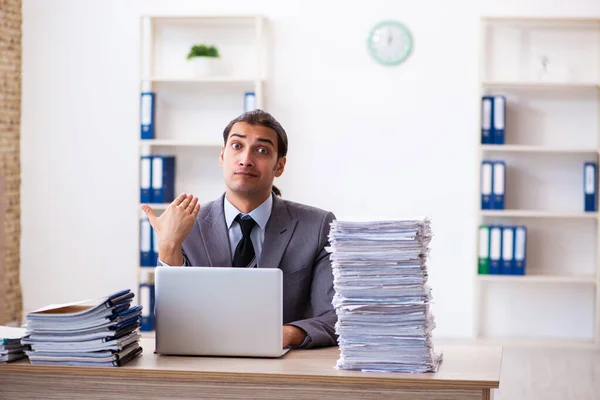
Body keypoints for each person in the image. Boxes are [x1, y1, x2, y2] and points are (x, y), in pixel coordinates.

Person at [141, 109, 338, 349]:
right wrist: (168, 246)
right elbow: (169, 323)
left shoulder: (317, 226)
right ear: (222, 156)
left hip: (285, 367)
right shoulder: (186, 226)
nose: (246, 159)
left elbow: (334, 316)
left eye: (262, 150)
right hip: (203, 363)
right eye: (236, 146)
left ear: (280, 166)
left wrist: (288, 334)